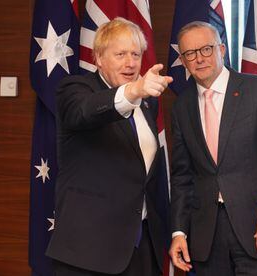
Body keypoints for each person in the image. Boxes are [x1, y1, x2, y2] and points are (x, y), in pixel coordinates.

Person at [168, 21, 257, 275]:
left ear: (221, 49)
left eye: (206, 49)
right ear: (183, 60)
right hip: (206, 237)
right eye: (190, 53)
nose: (199, 58)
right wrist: (178, 231)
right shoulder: (181, 106)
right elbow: (182, 177)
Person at [46, 17, 172, 276]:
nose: (130, 62)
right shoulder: (75, 90)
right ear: (99, 58)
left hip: (140, 248)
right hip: (88, 253)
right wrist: (133, 90)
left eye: (136, 54)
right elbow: (85, 112)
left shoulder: (148, 104)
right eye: (120, 54)